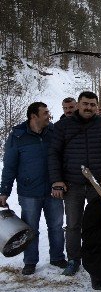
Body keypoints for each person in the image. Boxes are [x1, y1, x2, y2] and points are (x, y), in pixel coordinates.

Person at [48, 91, 101, 276]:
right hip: (73, 183)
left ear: (97, 106)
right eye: (85, 104)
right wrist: (57, 179)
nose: (88, 107)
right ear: (78, 105)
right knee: (73, 224)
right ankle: (73, 258)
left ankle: (98, 254)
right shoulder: (62, 126)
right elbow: (54, 154)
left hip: (98, 184)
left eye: (92, 104)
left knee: (100, 222)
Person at [1, 102, 66, 275]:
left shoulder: (53, 133)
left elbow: (62, 158)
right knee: (31, 228)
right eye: (45, 113)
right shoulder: (18, 136)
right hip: (29, 191)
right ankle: (30, 261)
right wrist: (4, 191)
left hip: (53, 190)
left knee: (57, 226)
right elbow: (9, 166)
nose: (48, 116)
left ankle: (58, 257)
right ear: (33, 116)